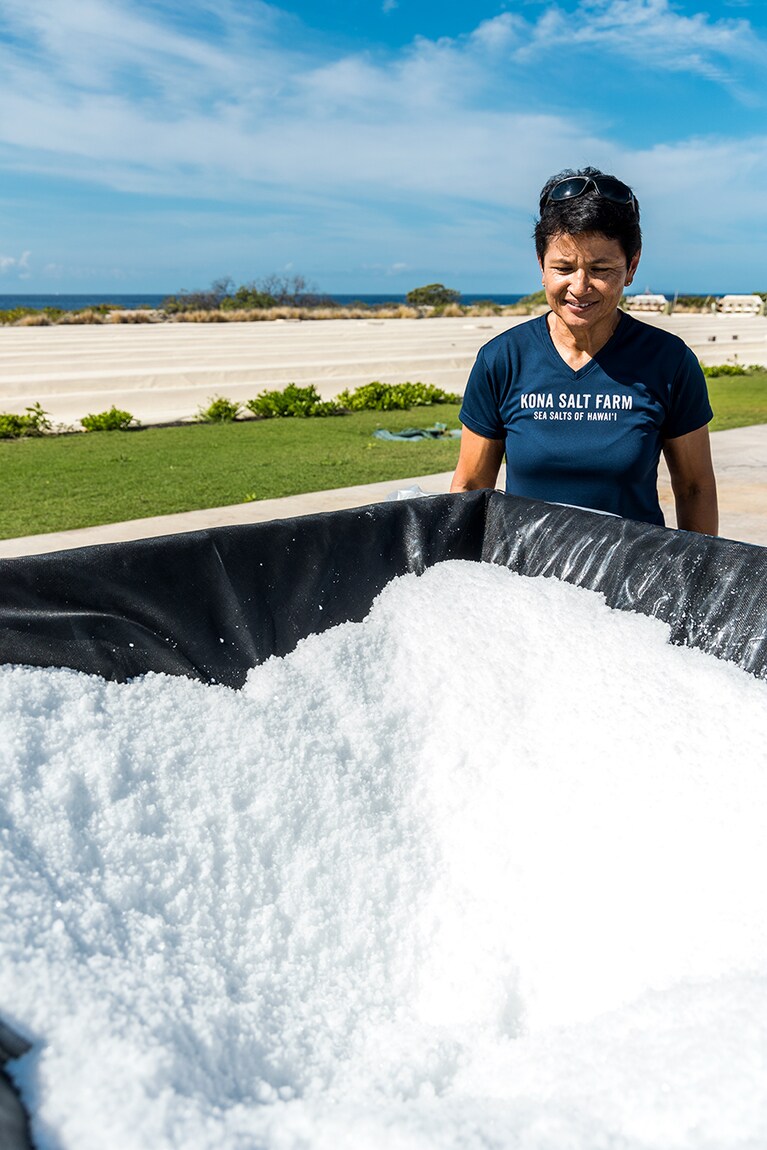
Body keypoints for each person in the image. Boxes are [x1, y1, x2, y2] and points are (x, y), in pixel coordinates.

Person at [451, 167, 718, 534]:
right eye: (563, 267)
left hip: (632, 579)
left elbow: (694, 488)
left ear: (631, 267)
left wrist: (698, 580)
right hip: (525, 582)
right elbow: (469, 488)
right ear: (541, 267)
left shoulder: (668, 361)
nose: (580, 286)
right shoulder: (502, 360)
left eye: (600, 268)